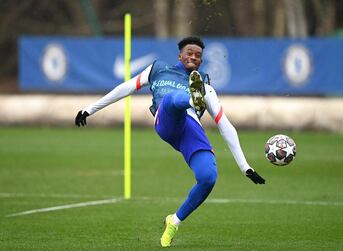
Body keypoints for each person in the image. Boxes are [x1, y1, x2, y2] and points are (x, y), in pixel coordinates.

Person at [75, 36, 265, 247]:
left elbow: (225, 125)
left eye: (198, 55)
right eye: (189, 53)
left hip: (190, 129)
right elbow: (125, 88)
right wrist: (90, 109)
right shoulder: (158, 69)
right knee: (172, 100)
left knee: (208, 177)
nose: (193, 57)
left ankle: (174, 221)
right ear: (180, 55)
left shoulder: (206, 86)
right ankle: (191, 100)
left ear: (202, 60)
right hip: (166, 118)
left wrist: (245, 166)